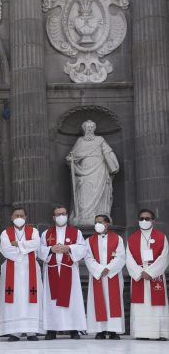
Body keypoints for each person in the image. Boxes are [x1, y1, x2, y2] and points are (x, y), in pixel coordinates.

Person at [39, 205, 87, 340]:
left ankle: (73, 329)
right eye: (58, 214)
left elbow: (82, 248)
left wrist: (69, 248)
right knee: (52, 300)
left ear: (67, 215)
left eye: (63, 214)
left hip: (69, 270)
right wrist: (50, 249)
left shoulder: (76, 232)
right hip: (52, 269)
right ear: (53, 217)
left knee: (72, 299)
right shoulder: (46, 233)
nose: (61, 216)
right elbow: (40, 250)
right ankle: (52, 330)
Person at [0, 206, 43, 341]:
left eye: (21, 216)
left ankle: (32, 331)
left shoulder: (33, 231)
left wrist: (17, 244)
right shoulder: (5, 233)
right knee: (14, 298)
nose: (19, 218)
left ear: (26, 217)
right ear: (12, 218)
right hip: (13, 268)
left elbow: (36, 244)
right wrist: (24, 249)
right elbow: (5, 249)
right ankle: (14, 332)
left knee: (32, 298)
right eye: (16, 216)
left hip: (31, 270)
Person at [125, 209, 169, 340]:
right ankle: (142, 333)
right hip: (139, 275)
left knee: (157, 305)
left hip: (155, 275)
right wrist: (140, 272)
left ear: (153, 220)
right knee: (140, 305)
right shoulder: (132, 238)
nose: (144, 221)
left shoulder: (161, 236)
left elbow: (164, 256)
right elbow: (128, 258)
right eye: (141, 218)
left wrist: (150, 272)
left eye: (147, 218)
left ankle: (160, 333)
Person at [66, 120, 119, 226]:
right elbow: (74, 155)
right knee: (84, 192)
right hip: (83, 171)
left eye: (91, 127)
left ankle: (99, 215)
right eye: (87, 127)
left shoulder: (100, 140)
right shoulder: (80, 141)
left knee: (99, 192)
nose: (89, 129)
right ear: (84, 129)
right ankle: (83, 216)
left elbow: (108, 152)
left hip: (99, 170)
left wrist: (114, 164)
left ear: (94, 128)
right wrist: (70, 159)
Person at [84, 214, 125, 339]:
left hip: (113, 275)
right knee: (98, 302)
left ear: (107, 224)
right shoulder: (89, 241)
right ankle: (99, 330)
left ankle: (113, 330)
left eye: (100, 222)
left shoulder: (118, 238)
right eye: (96, 222)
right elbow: (88, 258)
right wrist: (99, 269)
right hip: (97, 276)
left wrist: (108, 268)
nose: (97, 224)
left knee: (113, 301)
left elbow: (121, 256)